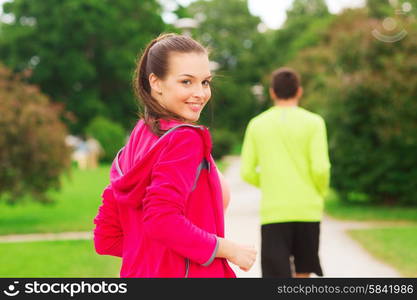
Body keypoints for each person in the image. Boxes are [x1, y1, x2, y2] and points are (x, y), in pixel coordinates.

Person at [93, 33, 256, 278]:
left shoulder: (139, 138)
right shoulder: (184, 139)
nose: (200, 93)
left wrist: (155, 257)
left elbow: (106, 237)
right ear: (156, 83)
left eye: (205, 82)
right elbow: (161, 219)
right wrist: (229, 249)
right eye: (186, 82)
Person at [240, 67, 330, 278]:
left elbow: (246, 171)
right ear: (299, 91)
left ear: (272, 92)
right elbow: (321, 168)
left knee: (276, 278)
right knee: (303, 273)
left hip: (274, 212)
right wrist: (320, 192)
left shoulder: (257, 124)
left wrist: (271, 182)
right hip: (308, 209)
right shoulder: (315, 123)